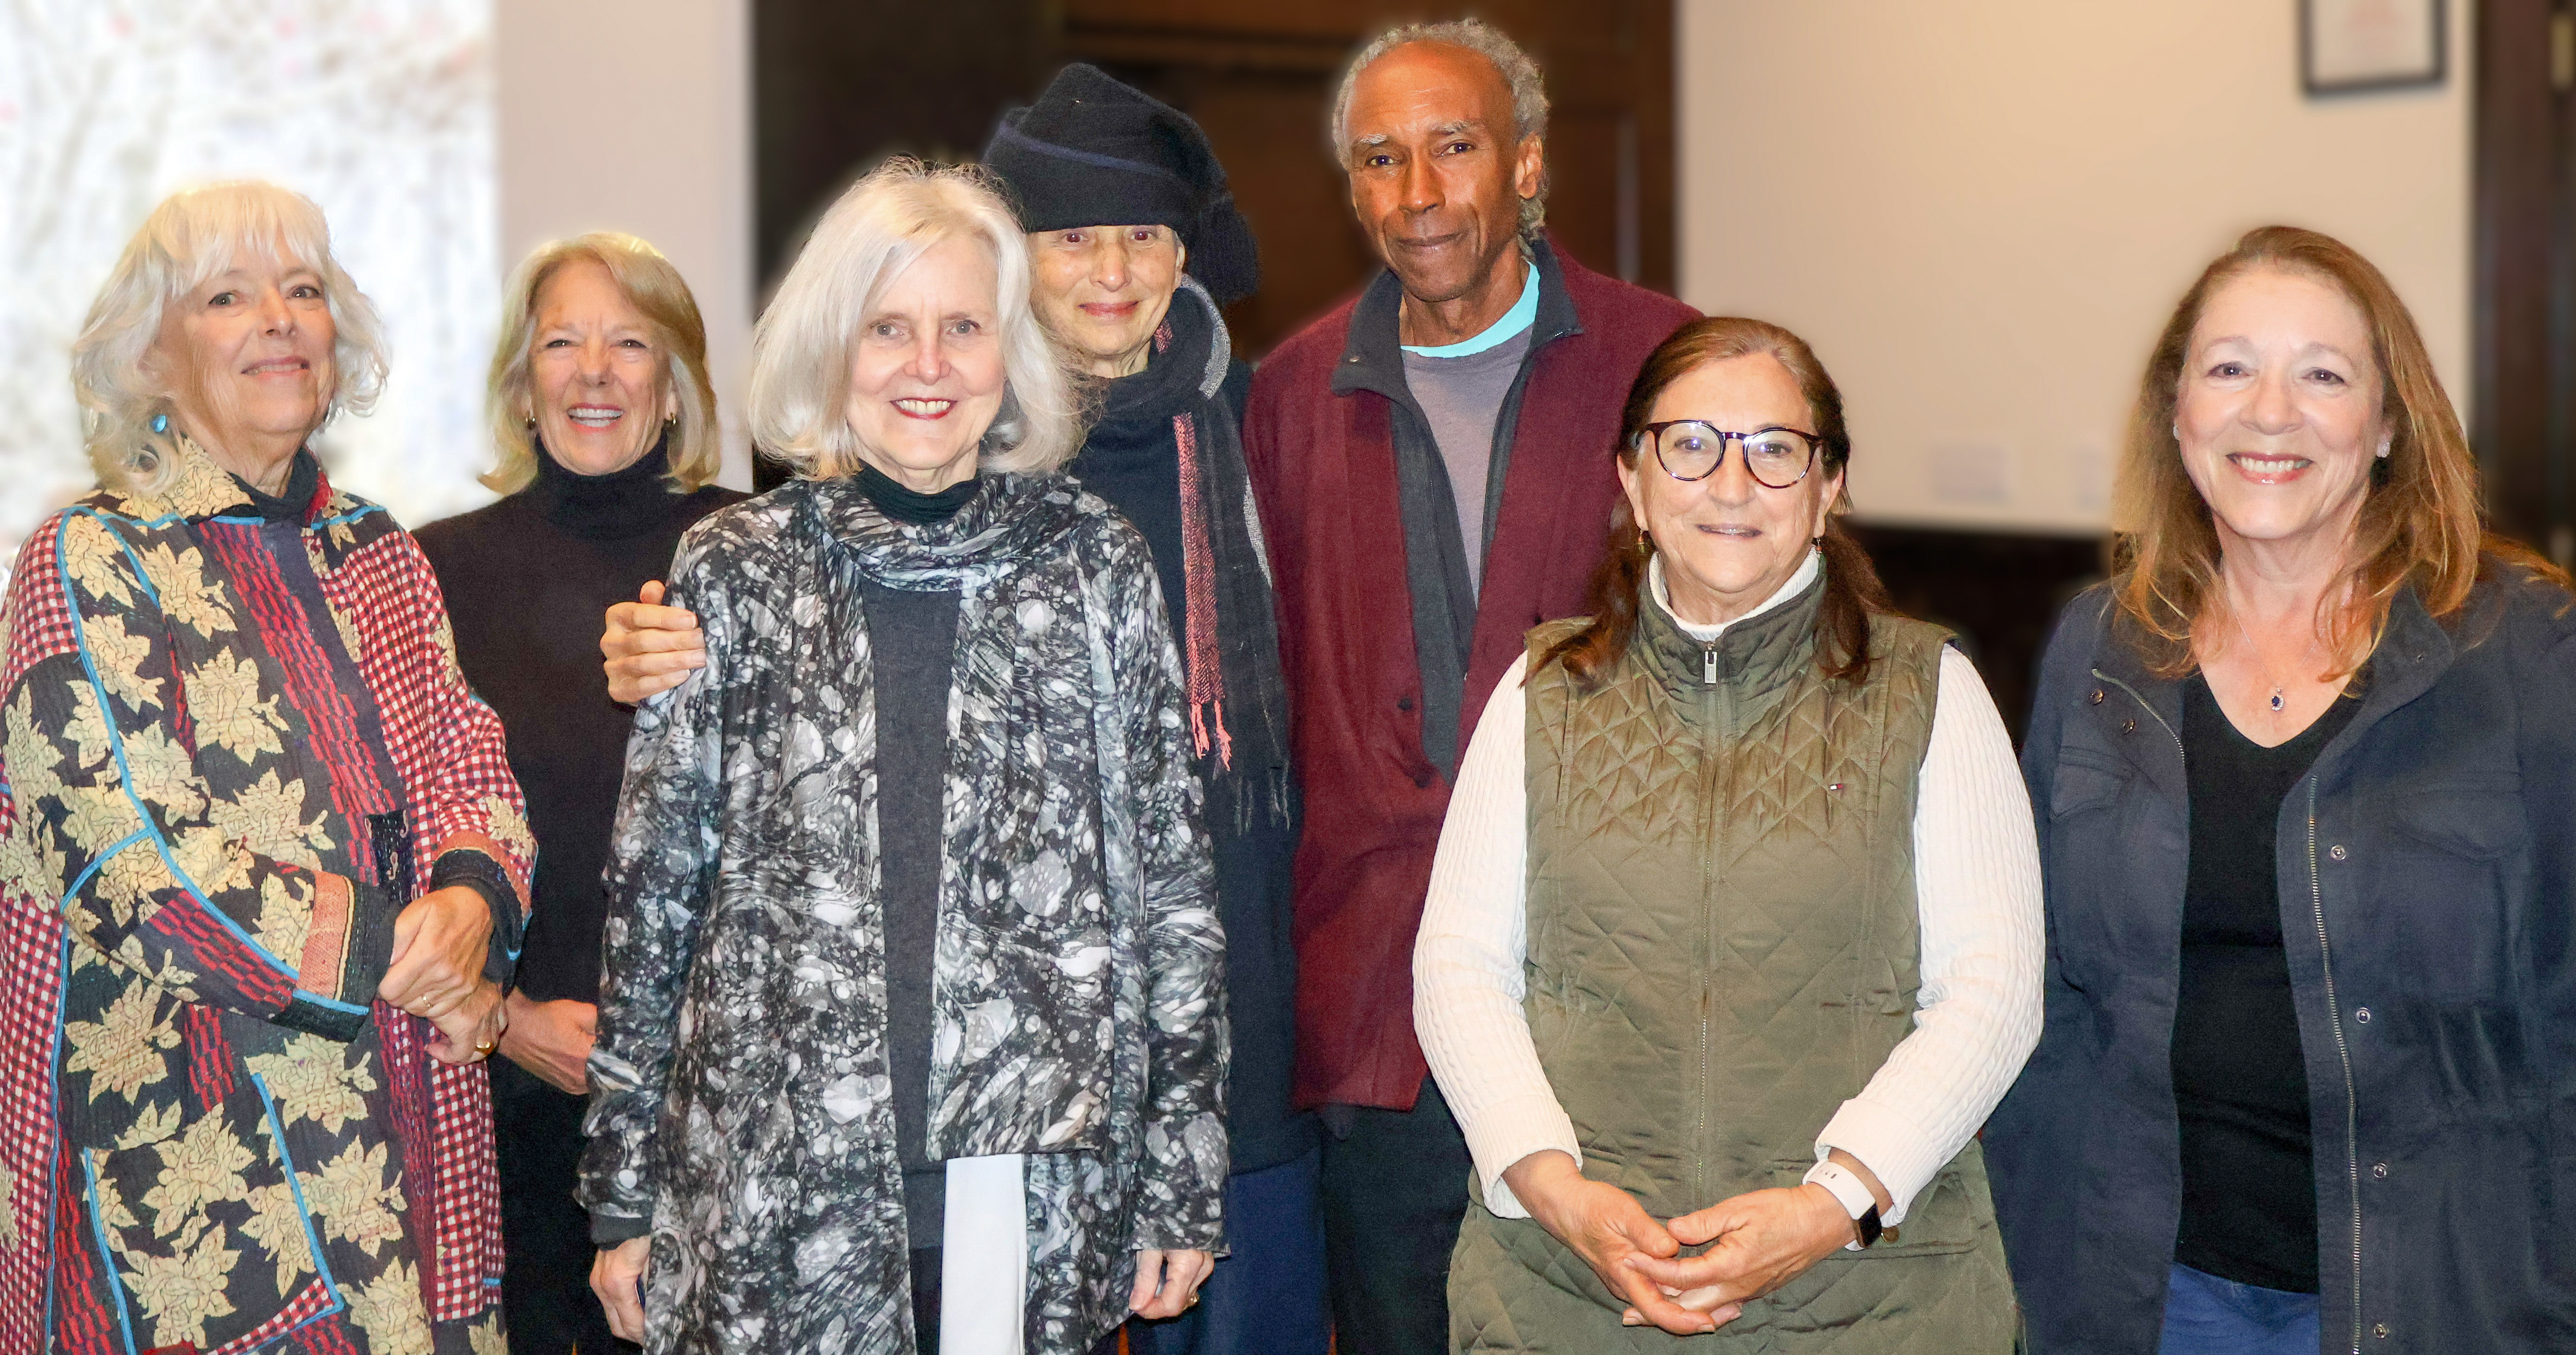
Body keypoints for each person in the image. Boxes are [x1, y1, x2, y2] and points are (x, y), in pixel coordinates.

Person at [577, 159, 1227, 1355]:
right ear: (835, 349)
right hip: (777, 1189)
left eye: (963, 327)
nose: (927, 365)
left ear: (1009, 352)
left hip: (1029, 1178)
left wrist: (1180, 1166)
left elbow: (1173, 894)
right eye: (888, 327)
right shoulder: (732, 569)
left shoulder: (1094, 562)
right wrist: (623, 1186)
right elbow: (654, 896)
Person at [1986, 225, 2576, 1354]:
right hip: (2149, 1290)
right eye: (2228, 368)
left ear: (2389, 421)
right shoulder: (2101, 648)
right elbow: (2046, 986)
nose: (2270, 411)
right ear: (2176, 413)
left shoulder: (2527, 656)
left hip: (2447, 1286)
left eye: (2321, 373)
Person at [1415, 317, 2037, 1351]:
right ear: (1632, 478)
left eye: (1774, 450)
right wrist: (1555, 1188)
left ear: (1828, 487)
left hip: (1864, 1299)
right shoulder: (1545, 688)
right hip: (1570, 1292)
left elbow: (1994, 991)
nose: (1733, 485)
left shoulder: (1929, 689)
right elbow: (1459, 965)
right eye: (1691, 443)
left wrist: (1833, 1202)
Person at [0, 180, 534, 1352]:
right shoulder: (85, 558)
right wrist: (411, 950)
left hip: (419, 1130)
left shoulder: (380, 549)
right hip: (205, 1163)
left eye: (304, 291)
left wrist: (471, 898)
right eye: (228, 296)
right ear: (153, 351)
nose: (279, 320)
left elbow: (466, 750)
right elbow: (133, 861)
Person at [1239, 19, 1698, 1351]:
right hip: (1377, 1012)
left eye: (1455, 147)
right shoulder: (1289, 396)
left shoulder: (1664, 366)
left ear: (1529, 165)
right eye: (1381, 159)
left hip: (1605, 993)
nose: (1418, 193)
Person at [984, 65, 1324, 1355]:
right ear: (1017, 260)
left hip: (1241, 968)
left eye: (1144, 234)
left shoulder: (1268, 422)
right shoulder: (954, 443)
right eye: (1073, 237)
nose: (1114, 268)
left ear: (1186, 250)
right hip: (1033, 1010)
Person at [413, 233, 744, 1355]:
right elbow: (391, 850)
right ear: (523, 380)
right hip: (506, 1095)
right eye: (562, 341)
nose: (594, 371)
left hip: (726, 1106)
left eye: (629, 342)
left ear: (677, 383)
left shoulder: (756, 554)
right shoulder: (431, 573)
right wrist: (507, 1026)